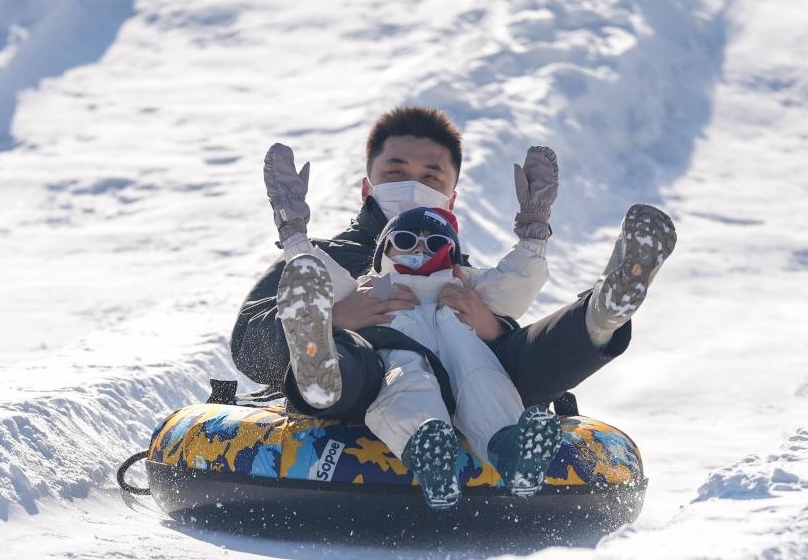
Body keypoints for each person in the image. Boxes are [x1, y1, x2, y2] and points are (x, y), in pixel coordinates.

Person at [230, 106, 676, 483]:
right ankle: (322, 361)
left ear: (451, 198)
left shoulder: (455, 268)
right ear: (368, 186)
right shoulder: (317, 260)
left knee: (508, 356)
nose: (413, 184)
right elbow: (247, 345)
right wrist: (337, 319)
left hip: (464, 394)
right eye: (396, 171)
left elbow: (497, 327)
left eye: (430, 176)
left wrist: (490, 327)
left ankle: (601, 314)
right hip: (360, 390)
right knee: (358, 359)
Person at [278, 203, 562, 509]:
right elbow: (322, 274)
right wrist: (294, 235)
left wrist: (533, 236)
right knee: (408, 378)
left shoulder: (465, 287)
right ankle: (428, 448)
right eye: (405, 241)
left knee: (483, 376)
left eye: (437, 243)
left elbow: (514, 282)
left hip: (462, 359)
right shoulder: (374, 288)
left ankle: (512, 449)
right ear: (383, 251)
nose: (421, 250)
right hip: (401, 356)